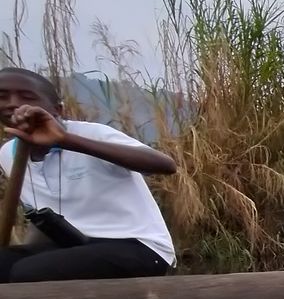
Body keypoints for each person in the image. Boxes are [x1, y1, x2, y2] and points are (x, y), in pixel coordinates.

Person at [0, 67, 178, 282]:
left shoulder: (92, 134)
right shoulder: (8, 154)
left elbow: (165, 165)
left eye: (27, 97)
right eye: (2, 97)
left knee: (28, 273)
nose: (12, 103)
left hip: (137, 246)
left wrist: (64, 140)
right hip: (76, 245)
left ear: (57, 109)